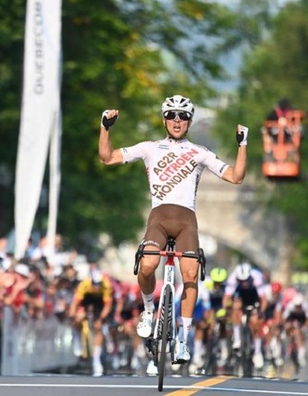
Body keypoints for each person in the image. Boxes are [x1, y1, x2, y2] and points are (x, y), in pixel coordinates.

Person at [98, 94, 248, 364]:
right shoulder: (150, 147)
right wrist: (105, 128)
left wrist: (242, 145)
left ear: (189, 121)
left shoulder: (199, 152)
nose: (177, 120)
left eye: (182, 116)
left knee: (190, 273)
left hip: (186, 221)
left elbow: (236, 177)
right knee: (146, 265)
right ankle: (147, 310)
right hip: (159, 217)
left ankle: (183, 339)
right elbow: (107, 158)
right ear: (164, 119)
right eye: (171, 115)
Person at [68, 265, 113, 376]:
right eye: (95, 284)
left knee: (99, 328)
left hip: (99, 302)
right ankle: (77, 339)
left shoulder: (106, 285)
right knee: (77, 317)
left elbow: (107, 306)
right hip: (86, 299)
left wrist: (101, 319)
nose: (97, 287)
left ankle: (96, 359)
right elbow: (75, 302)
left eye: (99, 285)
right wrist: (73, 315)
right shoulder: (84, 284)